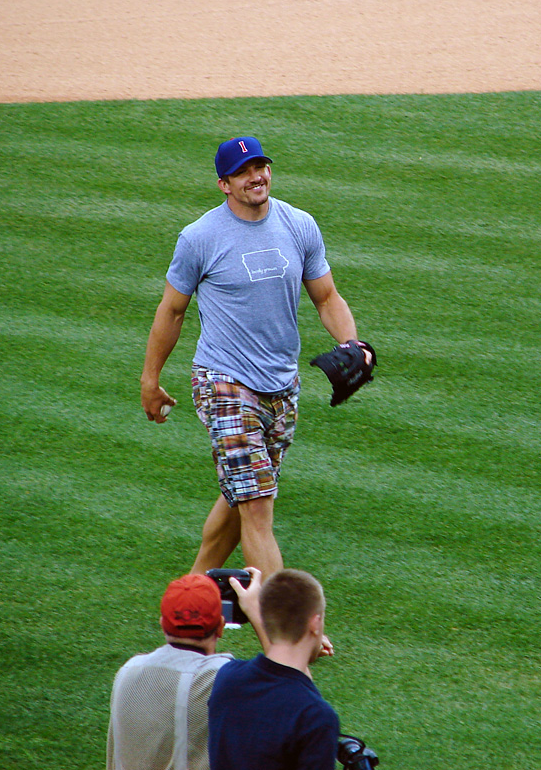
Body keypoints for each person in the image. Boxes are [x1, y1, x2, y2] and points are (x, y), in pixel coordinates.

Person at [141, 136, 368, 579]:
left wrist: (351, 344)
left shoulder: (299, 225)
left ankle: (188, 595)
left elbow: (326, 297)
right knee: (258, 508)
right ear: (224, 183)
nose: (256, 177)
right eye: (244, 172)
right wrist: (150, 380)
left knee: (240, 498)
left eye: (261, 167)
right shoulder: (199, 238)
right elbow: (172, 311)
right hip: (223, 381)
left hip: (282, 388)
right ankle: (282, 634)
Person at [106, 568, 268, 770]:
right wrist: (258, 613)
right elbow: (295, 689)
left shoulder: (128, 672)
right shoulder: (223, 680)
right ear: (220, 627)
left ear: (163, 624)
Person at [208, 568, 340, 770]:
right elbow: (299, 694)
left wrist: (255, 611)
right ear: (315, 623)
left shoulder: (227, 677)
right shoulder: (315, 716)